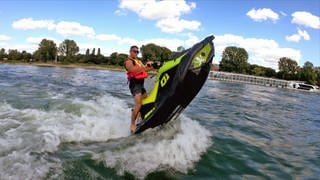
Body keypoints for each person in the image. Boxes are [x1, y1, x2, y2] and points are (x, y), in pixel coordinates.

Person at [124, 45, 154, 133]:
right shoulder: (128, 61)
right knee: (138, 104)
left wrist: (153, 66)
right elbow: (133, 70)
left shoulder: (139, 61)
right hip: (134, 85)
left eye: (137, 51)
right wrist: (145, 65)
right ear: (130, 51)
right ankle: (132, 124)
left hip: (141, 85)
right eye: (134, 51)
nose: (136, 53)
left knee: (145, 100)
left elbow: (145, 70)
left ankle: (139, 116)